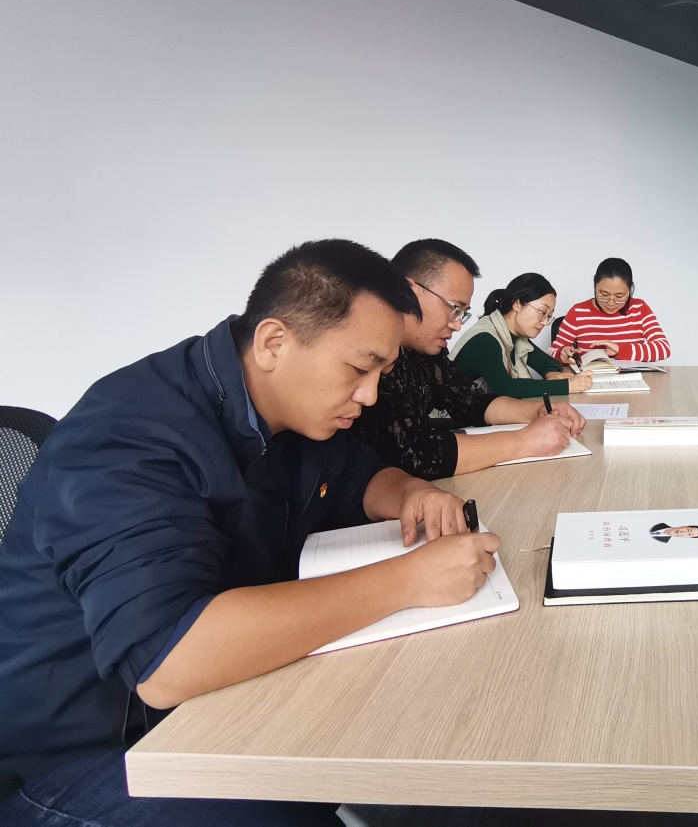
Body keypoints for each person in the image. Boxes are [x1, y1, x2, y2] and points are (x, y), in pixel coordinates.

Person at [0, 240, 502, 826]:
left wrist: (413, 493)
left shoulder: (292, 410)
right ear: (273, 343)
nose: (369, 395)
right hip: (86, 756)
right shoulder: (126, 437)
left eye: (381, 375)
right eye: (358, 369)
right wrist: (407, 581)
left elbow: (360, 477)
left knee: (439, 726)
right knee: (296, 800)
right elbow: (169, 660)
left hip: (220, 703)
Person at [353, 240, 586, 479]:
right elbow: (412, 455)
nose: (457, 325)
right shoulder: (369, 357)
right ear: (409, 292)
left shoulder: (427, 351)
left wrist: (538, 411)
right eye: (454, 308)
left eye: (462, 314)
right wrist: (524, 441)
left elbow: (470, 401)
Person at [452, 273, 594, 398]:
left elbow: (549, 363)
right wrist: (567, 386)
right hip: (452, 417)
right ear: (517, 304)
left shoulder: (515, 335)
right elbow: (505, 388)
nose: (545, 322)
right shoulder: (485, 339)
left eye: (549, 316)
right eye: (542, 312)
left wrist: (552, 374)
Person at [550, 257, 670, 364]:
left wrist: (619, 350)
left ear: (629, 290)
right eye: (604, 295)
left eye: (619, 296)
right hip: (589, 379)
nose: (611, 303)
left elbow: (663, 349)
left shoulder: (639, 308)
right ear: (595, 286)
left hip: (632, 380)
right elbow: (552, 352)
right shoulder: (578, 312)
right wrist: (562, 353)